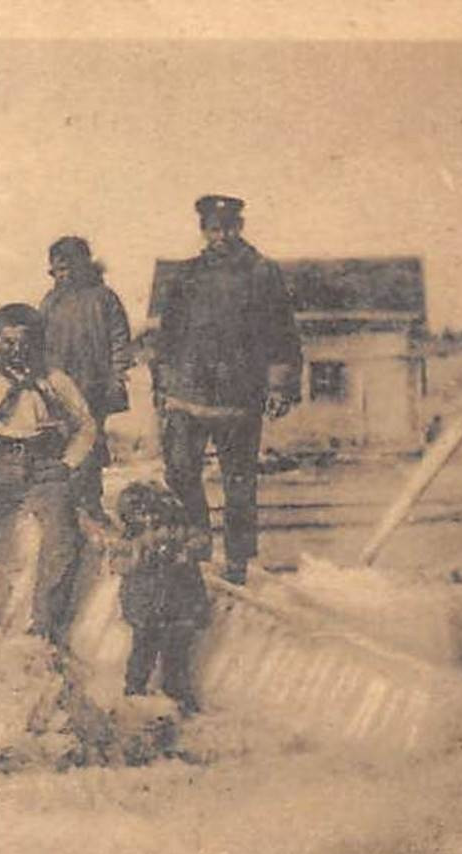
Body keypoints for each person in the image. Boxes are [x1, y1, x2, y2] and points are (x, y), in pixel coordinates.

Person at [152, 194, 303, 584]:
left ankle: (237, 559)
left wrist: (279, 386)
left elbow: (283, 334)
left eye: (229, 227)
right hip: (188, 393)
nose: (222, 236)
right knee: (181, 471)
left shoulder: (261, 273)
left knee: (238, 480)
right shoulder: (187, 274)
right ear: (203, 231)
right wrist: (163, 382)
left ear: (241, 227)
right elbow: (168, 334)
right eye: (214, 229)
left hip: (239, 395)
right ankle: (198, 545)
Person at [0, 303, 96, 642]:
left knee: (62, 538)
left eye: (24, 342)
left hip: (44, 468)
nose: (16, 350)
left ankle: (44, 628)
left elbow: (86, 426)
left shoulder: (55, 381)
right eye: (7, 342)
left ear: (37, 343)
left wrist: (68, 463)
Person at [39, 235, 132, 522]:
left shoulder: (104, 298)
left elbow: (120, 341)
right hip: (58, 389)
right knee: (60, 444)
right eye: (57, 270)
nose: (62, 275)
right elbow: (38, 341)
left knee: (90, 443)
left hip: (94, 386)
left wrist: (117, 378)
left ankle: (91, 502)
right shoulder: (51, 301)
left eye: (68, 268)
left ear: (83, 266)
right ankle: (67, 504)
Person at [109, 481, 212, 714]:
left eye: (156, 517)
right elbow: (119, 563)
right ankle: (135, 691)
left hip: (178, 605)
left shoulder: (177, 533)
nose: (151, 523)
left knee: (176, 650)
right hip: (146, 607)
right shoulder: (130, 541)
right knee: (143, 648)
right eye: (143, 516)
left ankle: (175, 691)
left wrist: (184, 553)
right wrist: (140, 556)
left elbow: (201, 541)